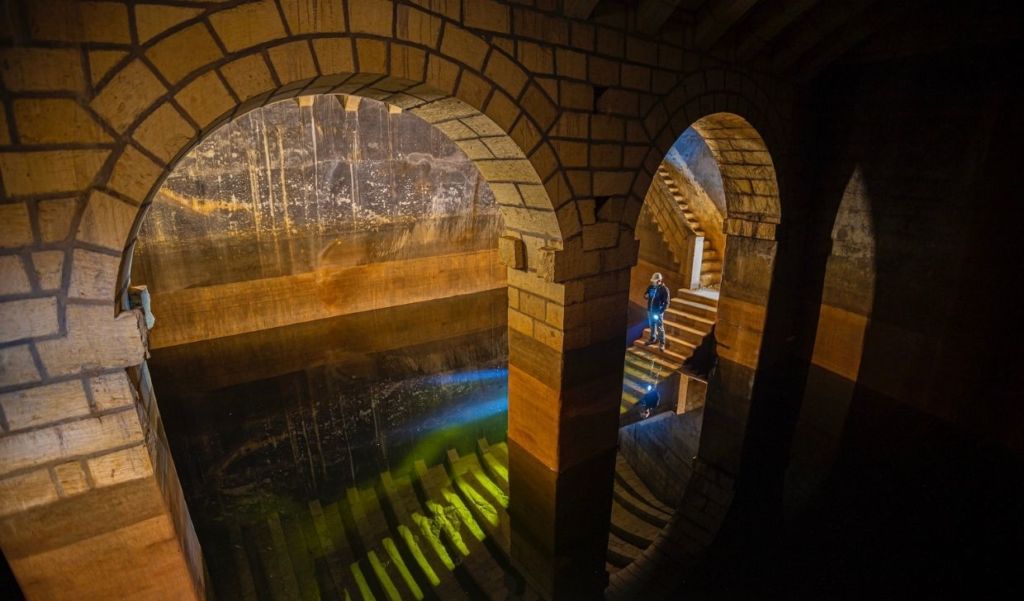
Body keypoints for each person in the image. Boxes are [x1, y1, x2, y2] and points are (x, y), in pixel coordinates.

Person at [644, 272, 670, 351]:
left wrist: (661, 311)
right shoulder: (651, 287)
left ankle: (662, 343)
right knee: (652, 325)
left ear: (659, 281)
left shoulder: (664, 290)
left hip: (657, 312)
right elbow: (646, 294)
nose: (652, 283)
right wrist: (646, 295)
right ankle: (652, 338)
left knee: (659, 327)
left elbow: (667, 302)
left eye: (654, 281)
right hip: (650, 310)